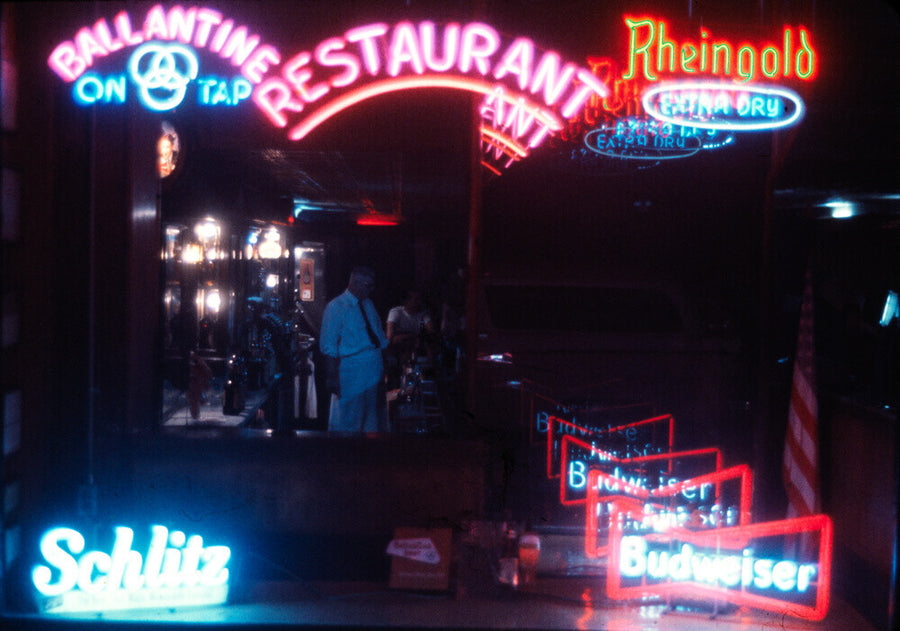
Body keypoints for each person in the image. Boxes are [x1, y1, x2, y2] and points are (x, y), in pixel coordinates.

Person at [320, 267, 389, 432]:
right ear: (355, 283)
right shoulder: (336, 307)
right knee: (349, 422)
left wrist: (385, 367)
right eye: (368, 285)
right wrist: (332, 377)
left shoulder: (368, 304)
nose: (371, 289)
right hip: (351, 374)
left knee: (372, 422)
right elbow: (329, 346)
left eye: (372, 286)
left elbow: (379, 338)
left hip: (373, 371)